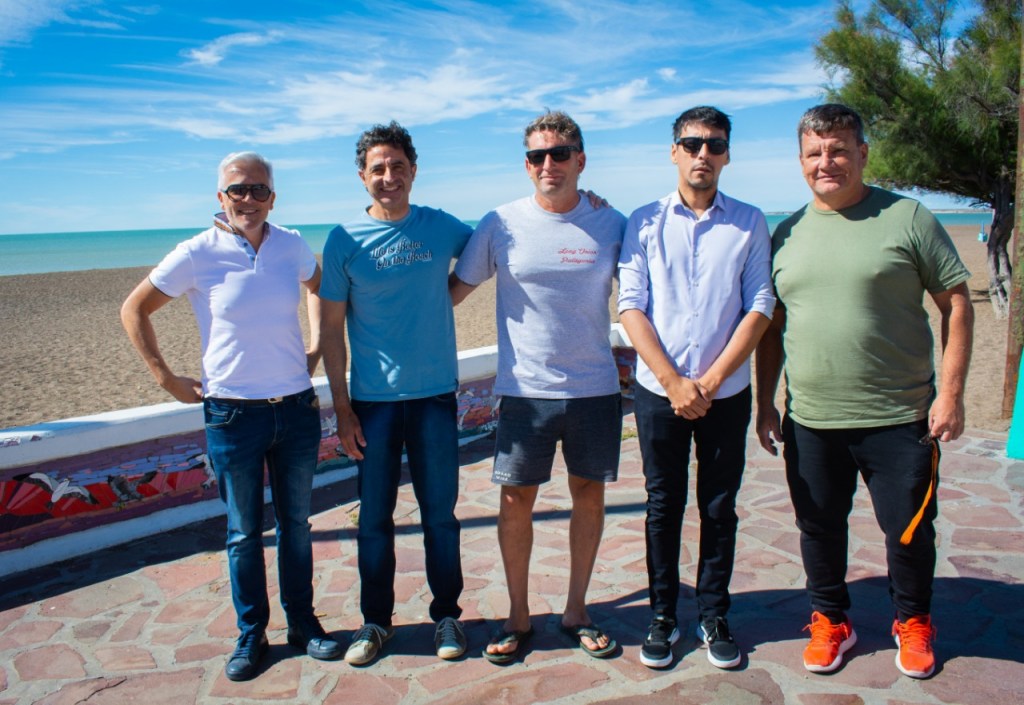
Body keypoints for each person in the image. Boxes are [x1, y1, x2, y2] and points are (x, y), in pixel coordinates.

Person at [755, 103, 974, 679]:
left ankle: (913, 620)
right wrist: (763, 404)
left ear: (862, 154)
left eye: (838, 150)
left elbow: (955, 303)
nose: (826, 162)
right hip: (812, 417)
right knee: (819, 528)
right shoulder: (787, 233)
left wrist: (949, 395)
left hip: (901, 416)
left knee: (907, 530)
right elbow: (771, 330)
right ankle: (832, 620)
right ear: (801, 160)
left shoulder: (908, 217)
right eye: (814, 153)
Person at [121, 152, 339, 682]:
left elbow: (323, 290)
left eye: (258, 189)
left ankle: (304, 625)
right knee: (243, 532)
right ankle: (251, 634)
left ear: (273, 196)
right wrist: (165, 378)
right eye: (237, 190)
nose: (248, 199)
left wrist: (314, 346)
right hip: (231, 414)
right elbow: (135, 309)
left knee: (296, 527)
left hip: (294, 408)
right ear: (220, 197)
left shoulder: (289, 244)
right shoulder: (196, 253)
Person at [450, 110, 627, 664]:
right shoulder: (500, 222)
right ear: (526, 165)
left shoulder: (612, 221)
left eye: (558, 153)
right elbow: (452, 291)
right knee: (514, 501)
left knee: (589, 497)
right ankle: (518, 615)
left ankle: (576, 610)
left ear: (580, 159)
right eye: (536, 156)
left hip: (595, 387)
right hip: (524, 390)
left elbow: (654, 289)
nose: (547, 164)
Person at [618, 106, 774, 670]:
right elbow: (630, 305)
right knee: (664, 505)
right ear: (674, 152)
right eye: (691, 143)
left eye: (714, 144)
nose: (702, 153)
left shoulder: (750, 222)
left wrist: (705, 382)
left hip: (724, 394)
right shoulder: (642, 220)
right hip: (658, 394)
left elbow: (760, 303)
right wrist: (672, 381)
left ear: (727, 153)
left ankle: (713, 614)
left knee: (719, 506)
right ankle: (662, 616)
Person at [319, 121, 471, 666]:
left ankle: (448, 616)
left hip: (433, 397)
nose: (389, 176)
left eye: (397, 166)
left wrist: (446, 296)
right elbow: (330, 330)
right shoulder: (342, 240)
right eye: (378, 168)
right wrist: (341, 408)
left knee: (440, 516)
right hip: (373, 404)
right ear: (363, 177)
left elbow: (493, 247)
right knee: (375, 519)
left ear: (413, 170)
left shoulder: (440, 226)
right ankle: (375, 623)